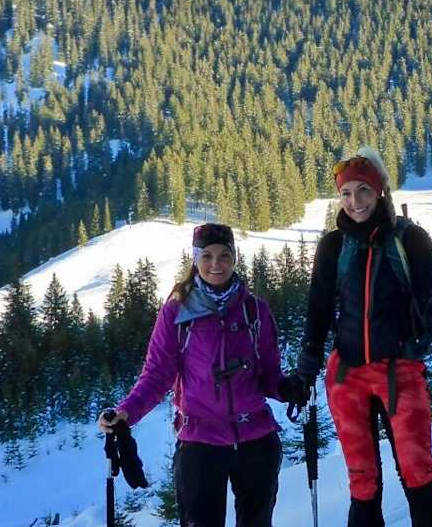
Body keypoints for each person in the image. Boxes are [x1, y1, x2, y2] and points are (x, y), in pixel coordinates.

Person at [281, 147, 432, 526]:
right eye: (346, 193)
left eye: (362, 190)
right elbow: (318, 308)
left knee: (418, 471)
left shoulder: (409, 238)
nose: (354, 201)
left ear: (379, 191)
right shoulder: (333, 246)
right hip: (347, 375)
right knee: (362, 482)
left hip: (400, 370)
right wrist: (307, 367)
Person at [99, 223, 294, 527]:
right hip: (200, 441)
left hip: (256, 439)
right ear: (195, 259)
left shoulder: (255, 311)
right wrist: (127, 412)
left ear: (235, 258)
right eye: (207, 256)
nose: (216, 264)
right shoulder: (177, 313)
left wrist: (286, 388)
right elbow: (157, 374)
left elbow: (268, 373)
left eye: (224, 255)